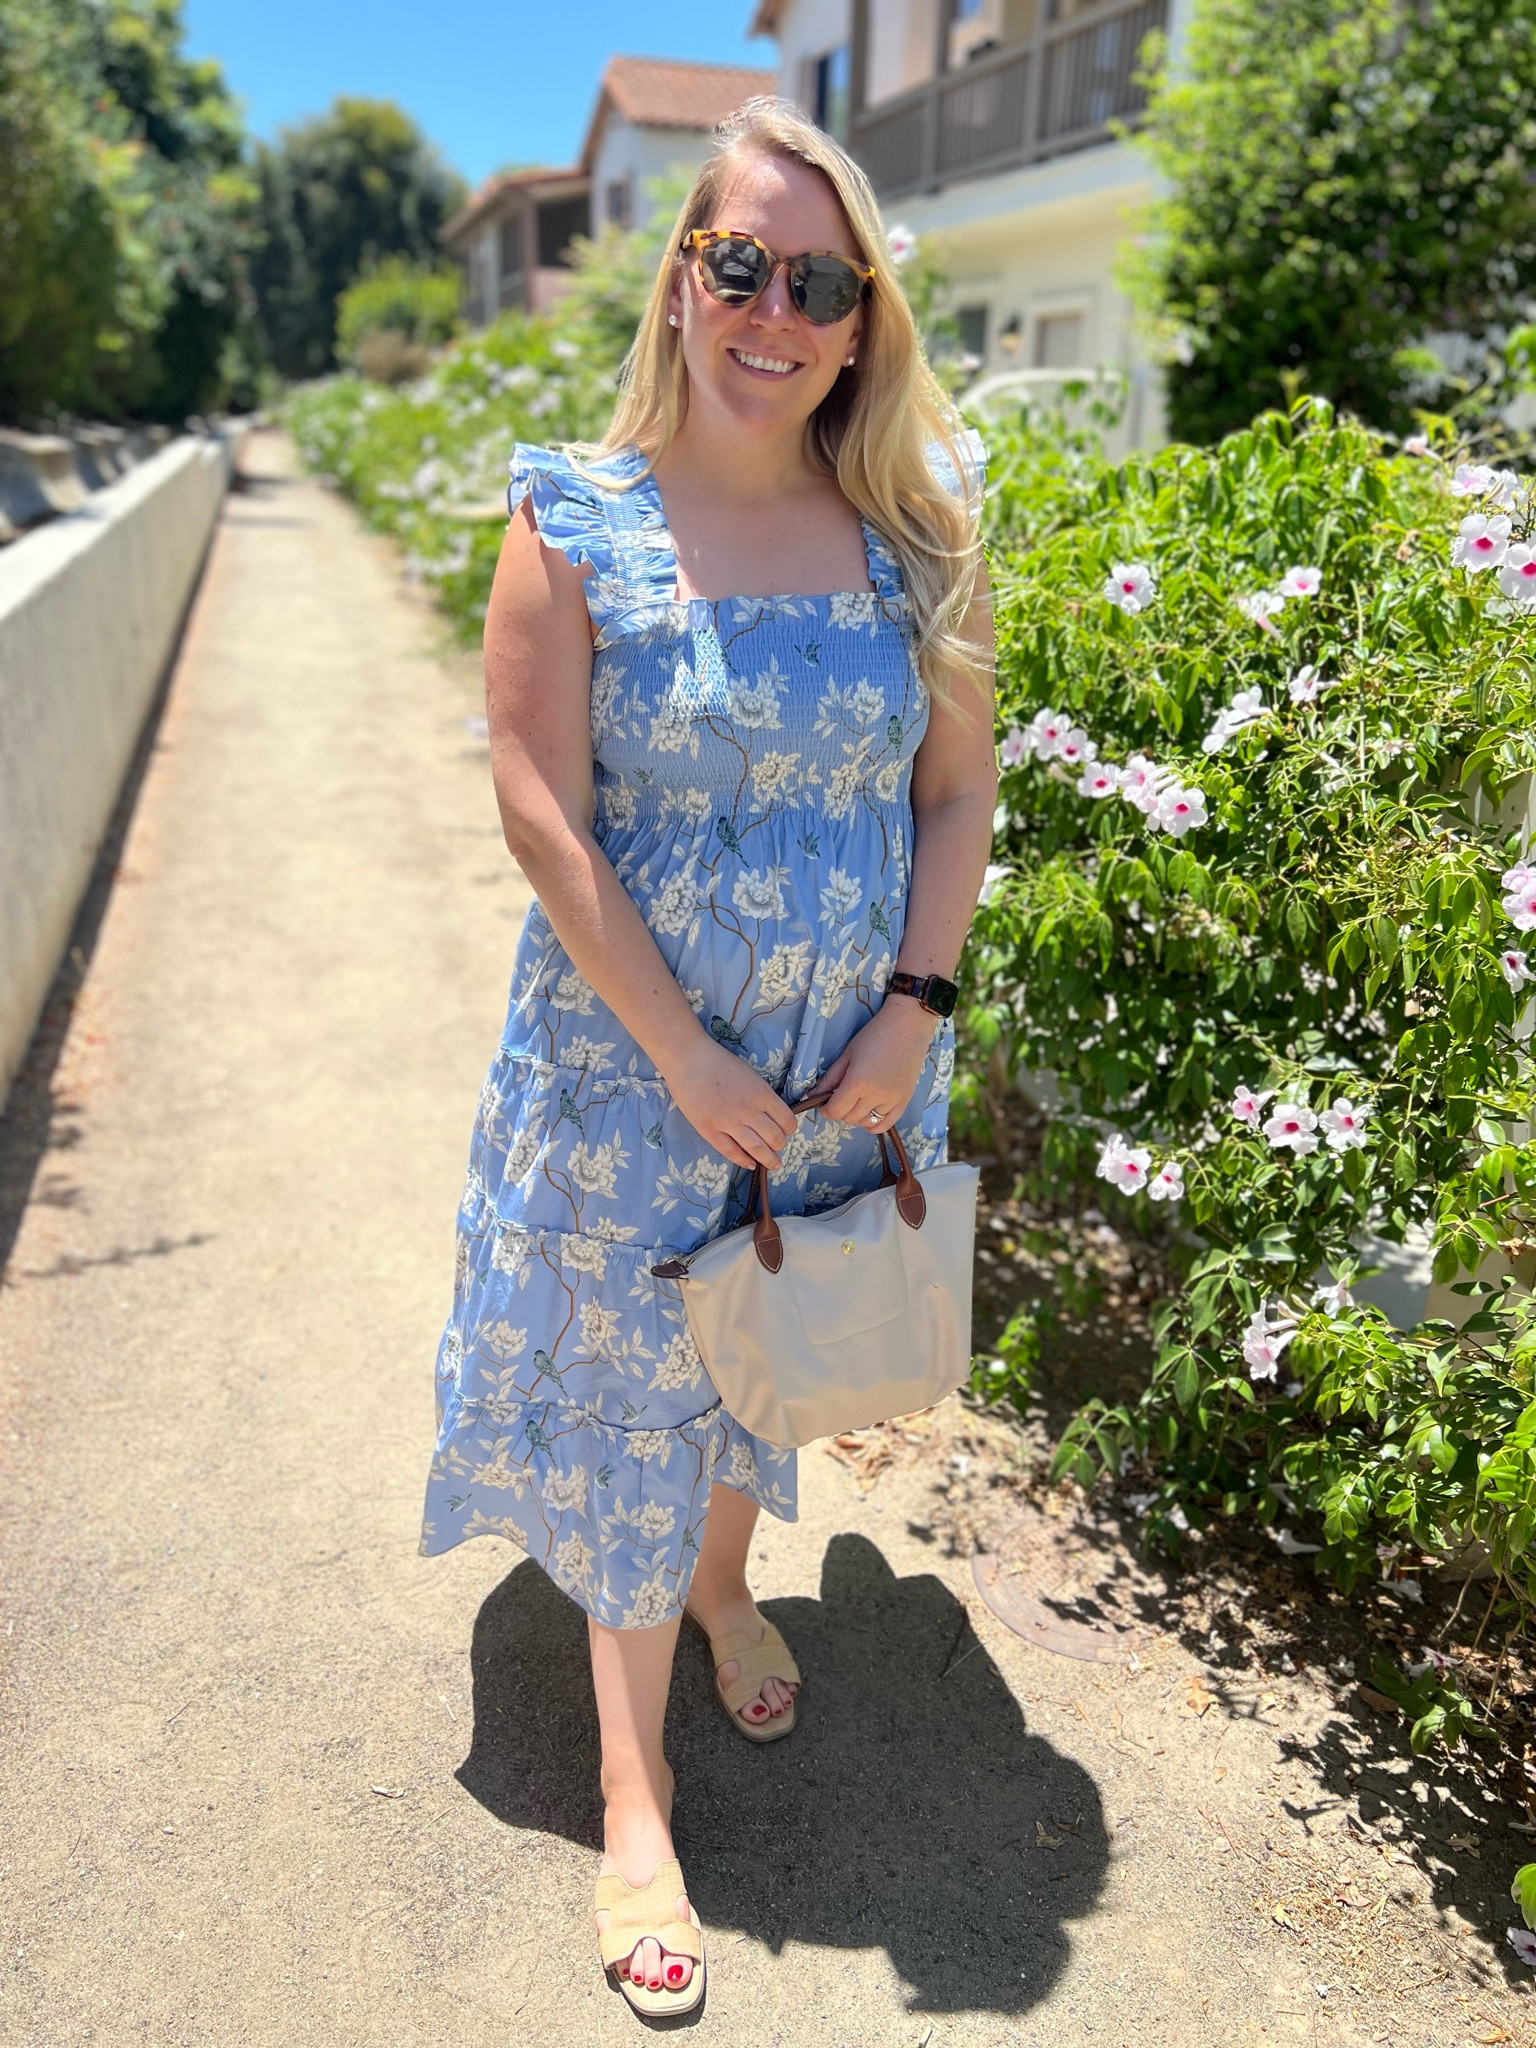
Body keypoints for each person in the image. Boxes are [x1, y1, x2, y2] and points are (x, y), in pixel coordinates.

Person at [419, 96, 996, 2016]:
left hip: (842, 1071)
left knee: (766, 1345)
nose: (771, 307)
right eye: (736, 262)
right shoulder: (571, 514)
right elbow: (535, 804)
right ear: (682, 279)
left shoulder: (915, 530)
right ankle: (636, 1795)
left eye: (816, 282)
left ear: (857, 323)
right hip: (626, 1073)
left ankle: (729, 1581)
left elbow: (955, 795)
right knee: (626, 1392)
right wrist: (675, 1050)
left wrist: (913, 1016)